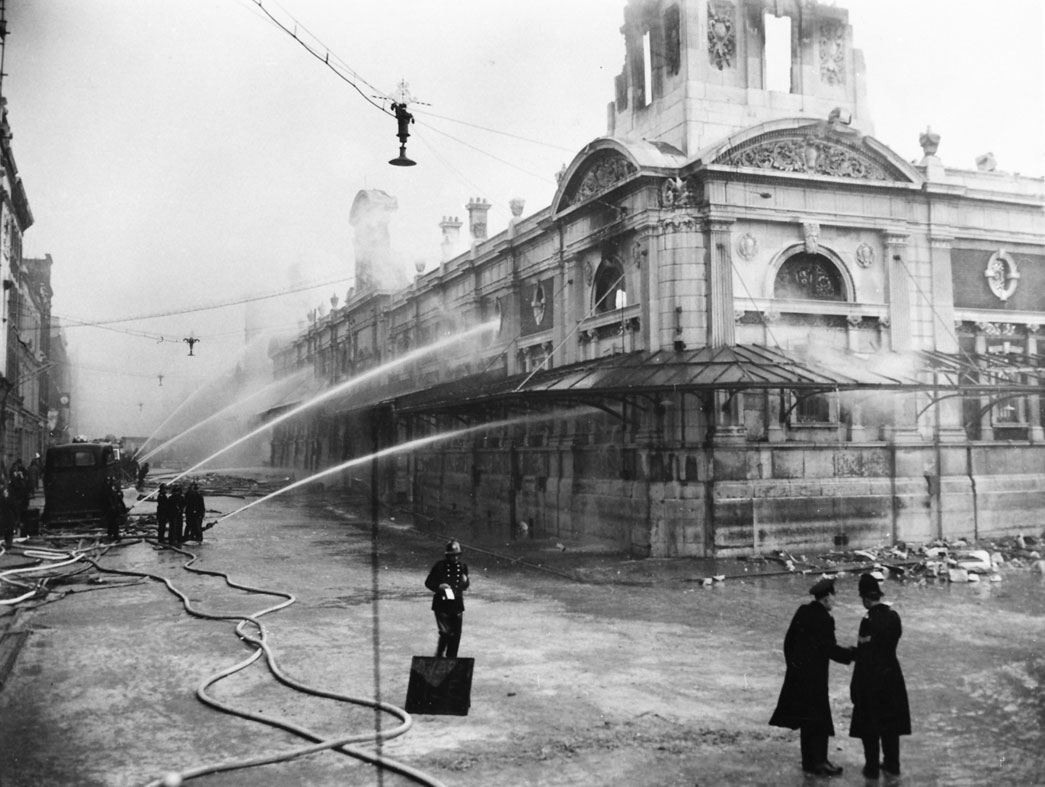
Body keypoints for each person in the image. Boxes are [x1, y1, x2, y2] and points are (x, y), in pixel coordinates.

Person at [769, 577, 854, 777]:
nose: (835, 600)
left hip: (799, 677)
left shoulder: (802, 611)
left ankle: (809, 761)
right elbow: (829, 649)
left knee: (806, 720)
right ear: (826, 598)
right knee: (820, 719)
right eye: (833, 596)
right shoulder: (825, 619)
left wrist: (793, 666)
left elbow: (788, 641)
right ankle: (820, 762)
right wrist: (852, 654)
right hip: (815, 679)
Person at [849, 573, 911, 780]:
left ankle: (872, 768)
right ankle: (893, 765)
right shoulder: (894, 617)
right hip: (892, 675)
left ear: (866, 598)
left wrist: (855, 685)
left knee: (870, 725)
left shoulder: (867, 621)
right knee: (891, 724)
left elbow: (863, 653)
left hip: (871, 678)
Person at [424, 539, 470, 659]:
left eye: (457, 555)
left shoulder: (463, 567)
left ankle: (451, 658)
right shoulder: (440, 566)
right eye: (452, 556)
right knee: (445, 633)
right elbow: (428, 582)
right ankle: (439, 655)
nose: (455, 558)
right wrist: (439, 586)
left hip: (457, 604)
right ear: (447, 555)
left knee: (456, 635)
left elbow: (465, 586)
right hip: (442, 604)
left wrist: (465, 582)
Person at [104, 475, 126, 541]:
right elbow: (110, 499)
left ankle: (112, 534)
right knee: (113, 522)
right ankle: (114, 535)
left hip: (114, 509)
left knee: (113, 522)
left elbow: (119, 499)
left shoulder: (114, 490)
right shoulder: (108, 490)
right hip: (112, 509)